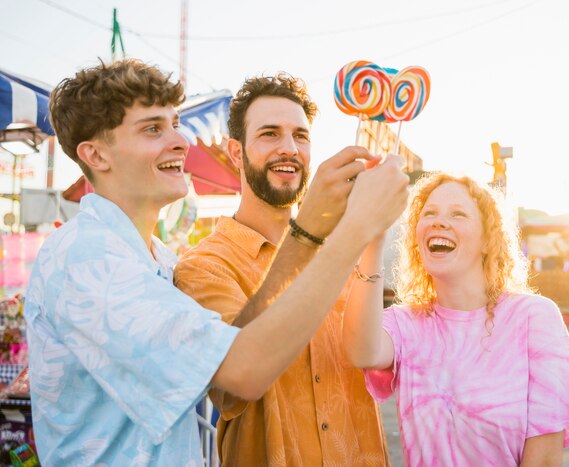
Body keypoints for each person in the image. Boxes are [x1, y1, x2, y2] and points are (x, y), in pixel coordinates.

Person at [23, 59, 409, 465]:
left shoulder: (156, 261)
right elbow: (241, 375)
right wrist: (341, 230)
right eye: (153, 128)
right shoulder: (86, 258)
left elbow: (237, 349)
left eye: (175, 124)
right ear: (96, 155)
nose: (182, 141)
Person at [174, 73, 393, 466]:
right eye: (270, 134)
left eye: (301, 136)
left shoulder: (349, 248)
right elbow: (229, 390)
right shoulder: (203, 266)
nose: (289, 148)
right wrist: (309, 233)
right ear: (236, 153)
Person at [342, 172, 569, 466]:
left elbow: (544, 460)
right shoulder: (405, 323)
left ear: (488, 241)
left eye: (458, 214)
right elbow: (360, 351)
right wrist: (372, 241)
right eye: (429, 213)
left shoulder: (535, 318)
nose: (439, 221)